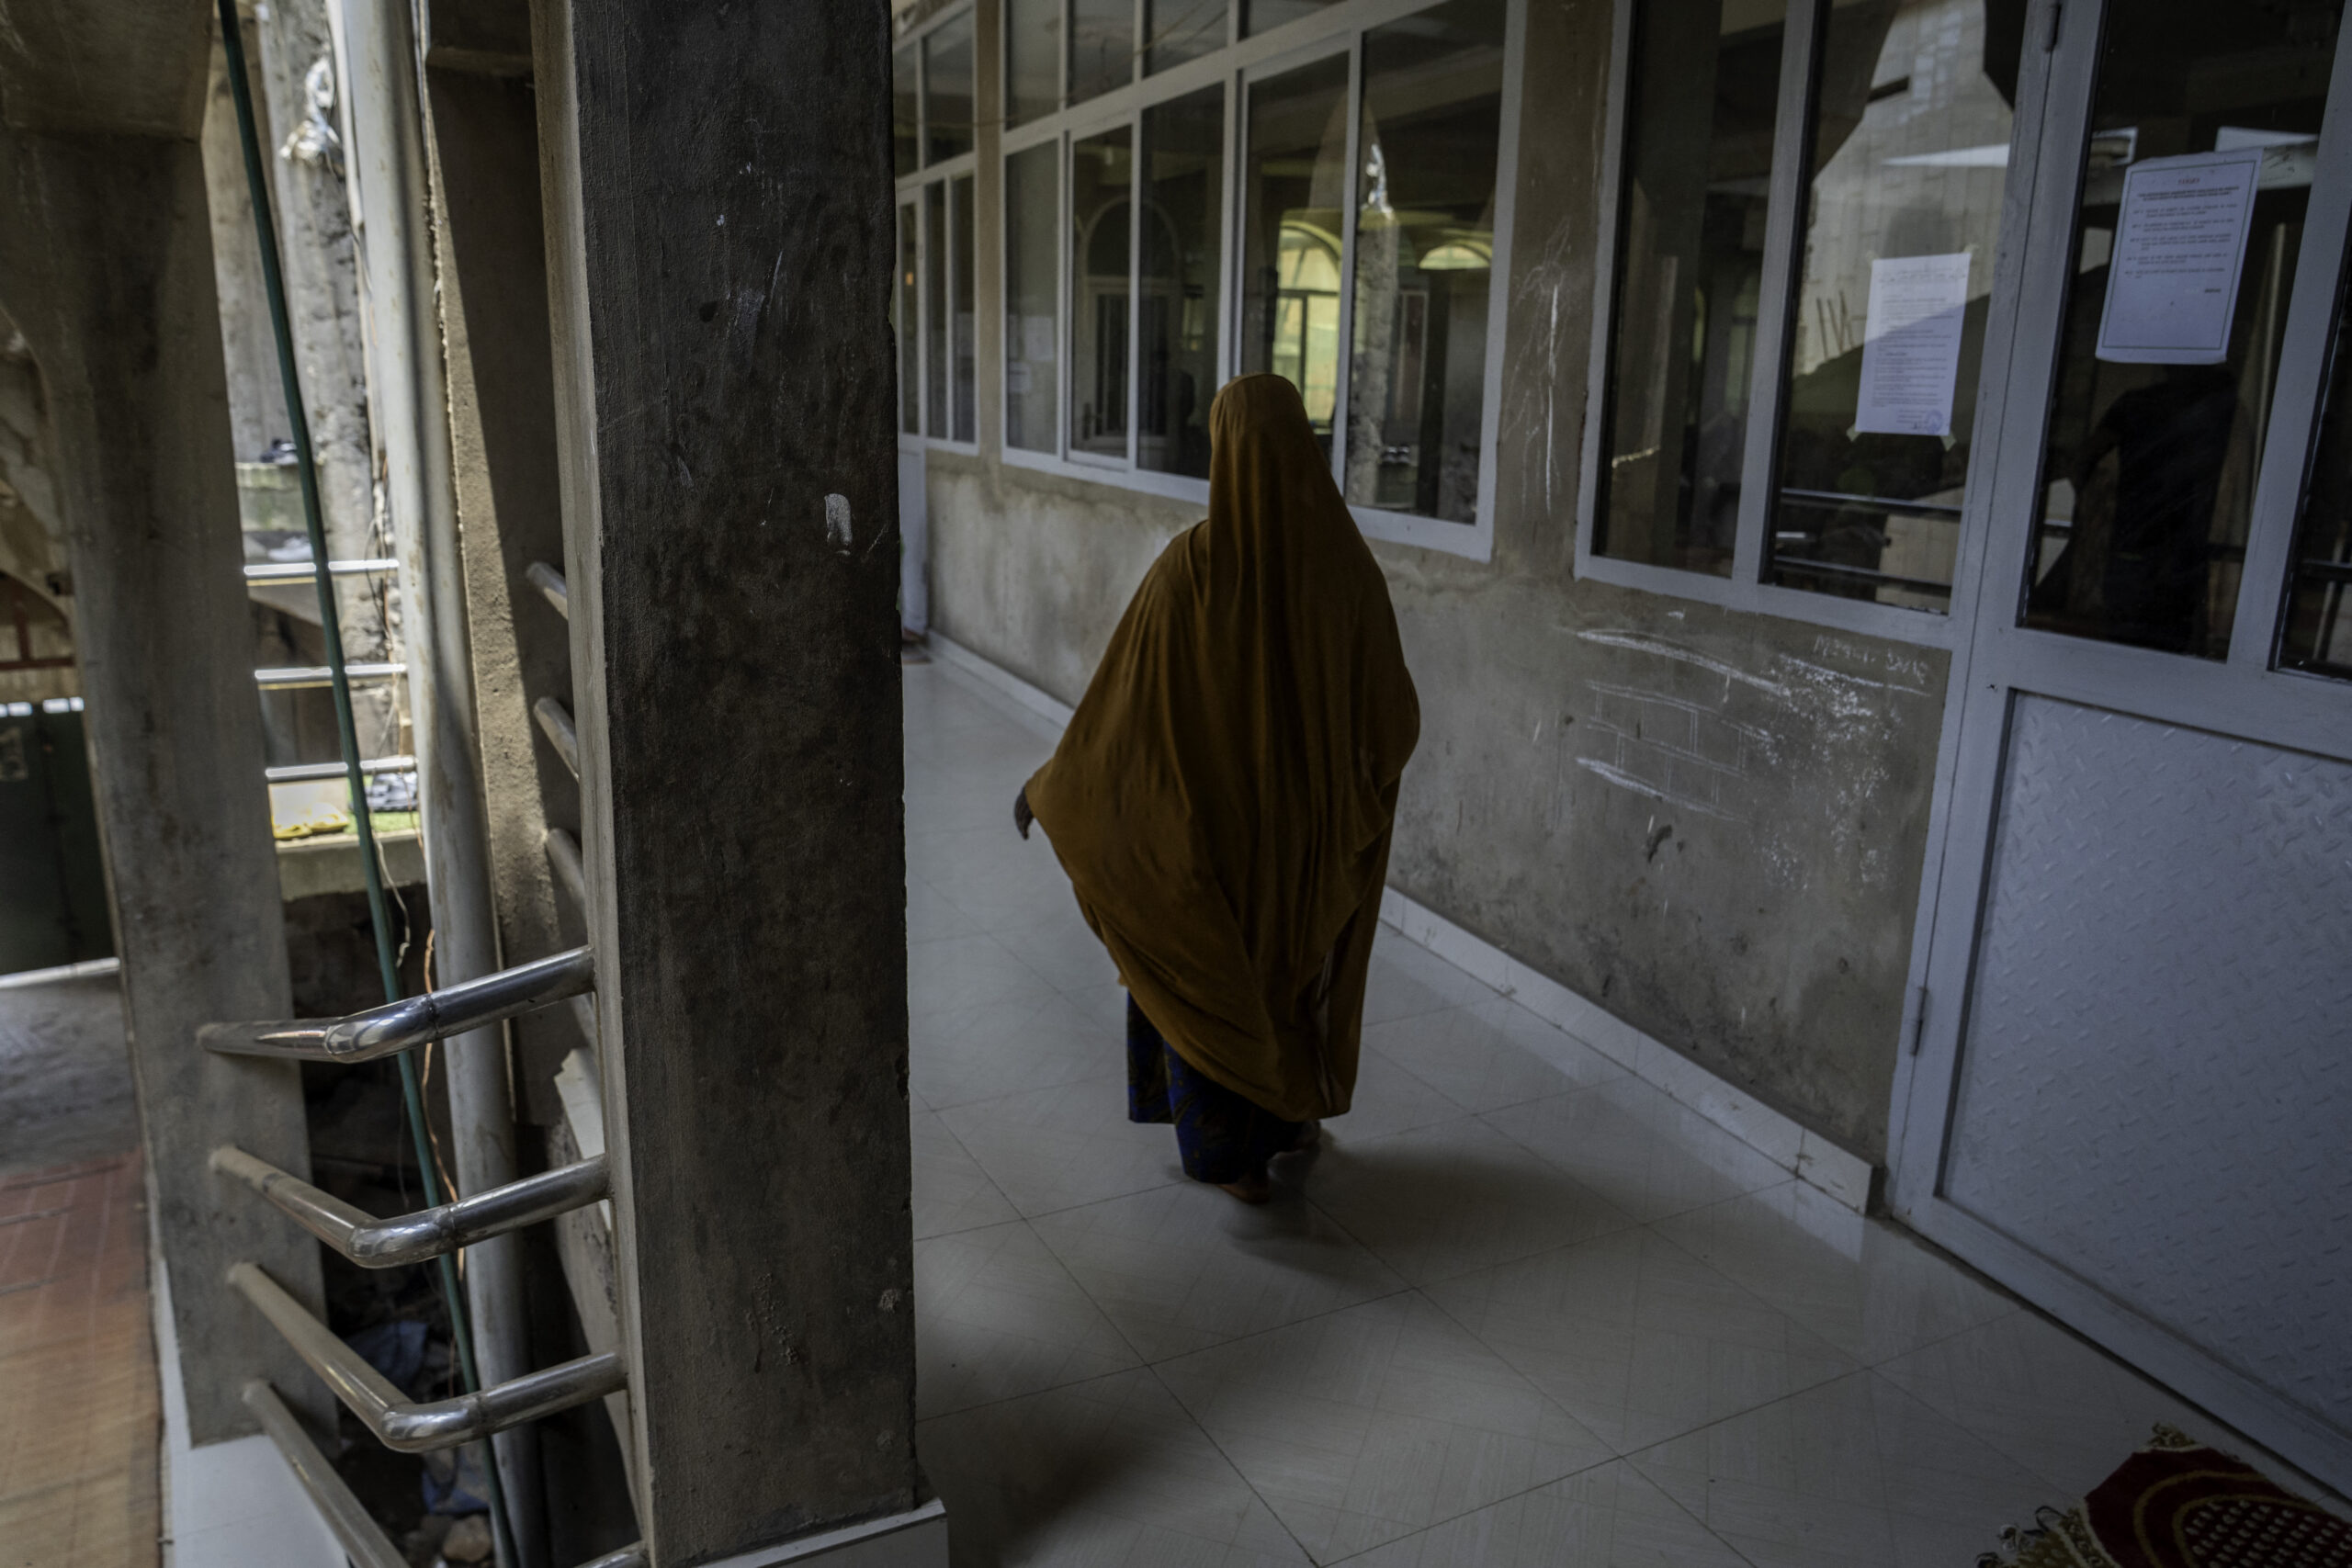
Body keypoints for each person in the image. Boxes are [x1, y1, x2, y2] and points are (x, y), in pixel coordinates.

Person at [1013, 374, 1420, 1203]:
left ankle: (1233, 1160)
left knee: (1206, 973)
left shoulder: (1193, 571)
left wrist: (1051, 787)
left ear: (1223, 455)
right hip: (1302, 853)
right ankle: (1287, 1117)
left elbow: (1121, 719)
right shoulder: (1347, 574)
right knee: (1283, 977)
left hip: (1210, 843)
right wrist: (1339, 806)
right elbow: (1394, 721)